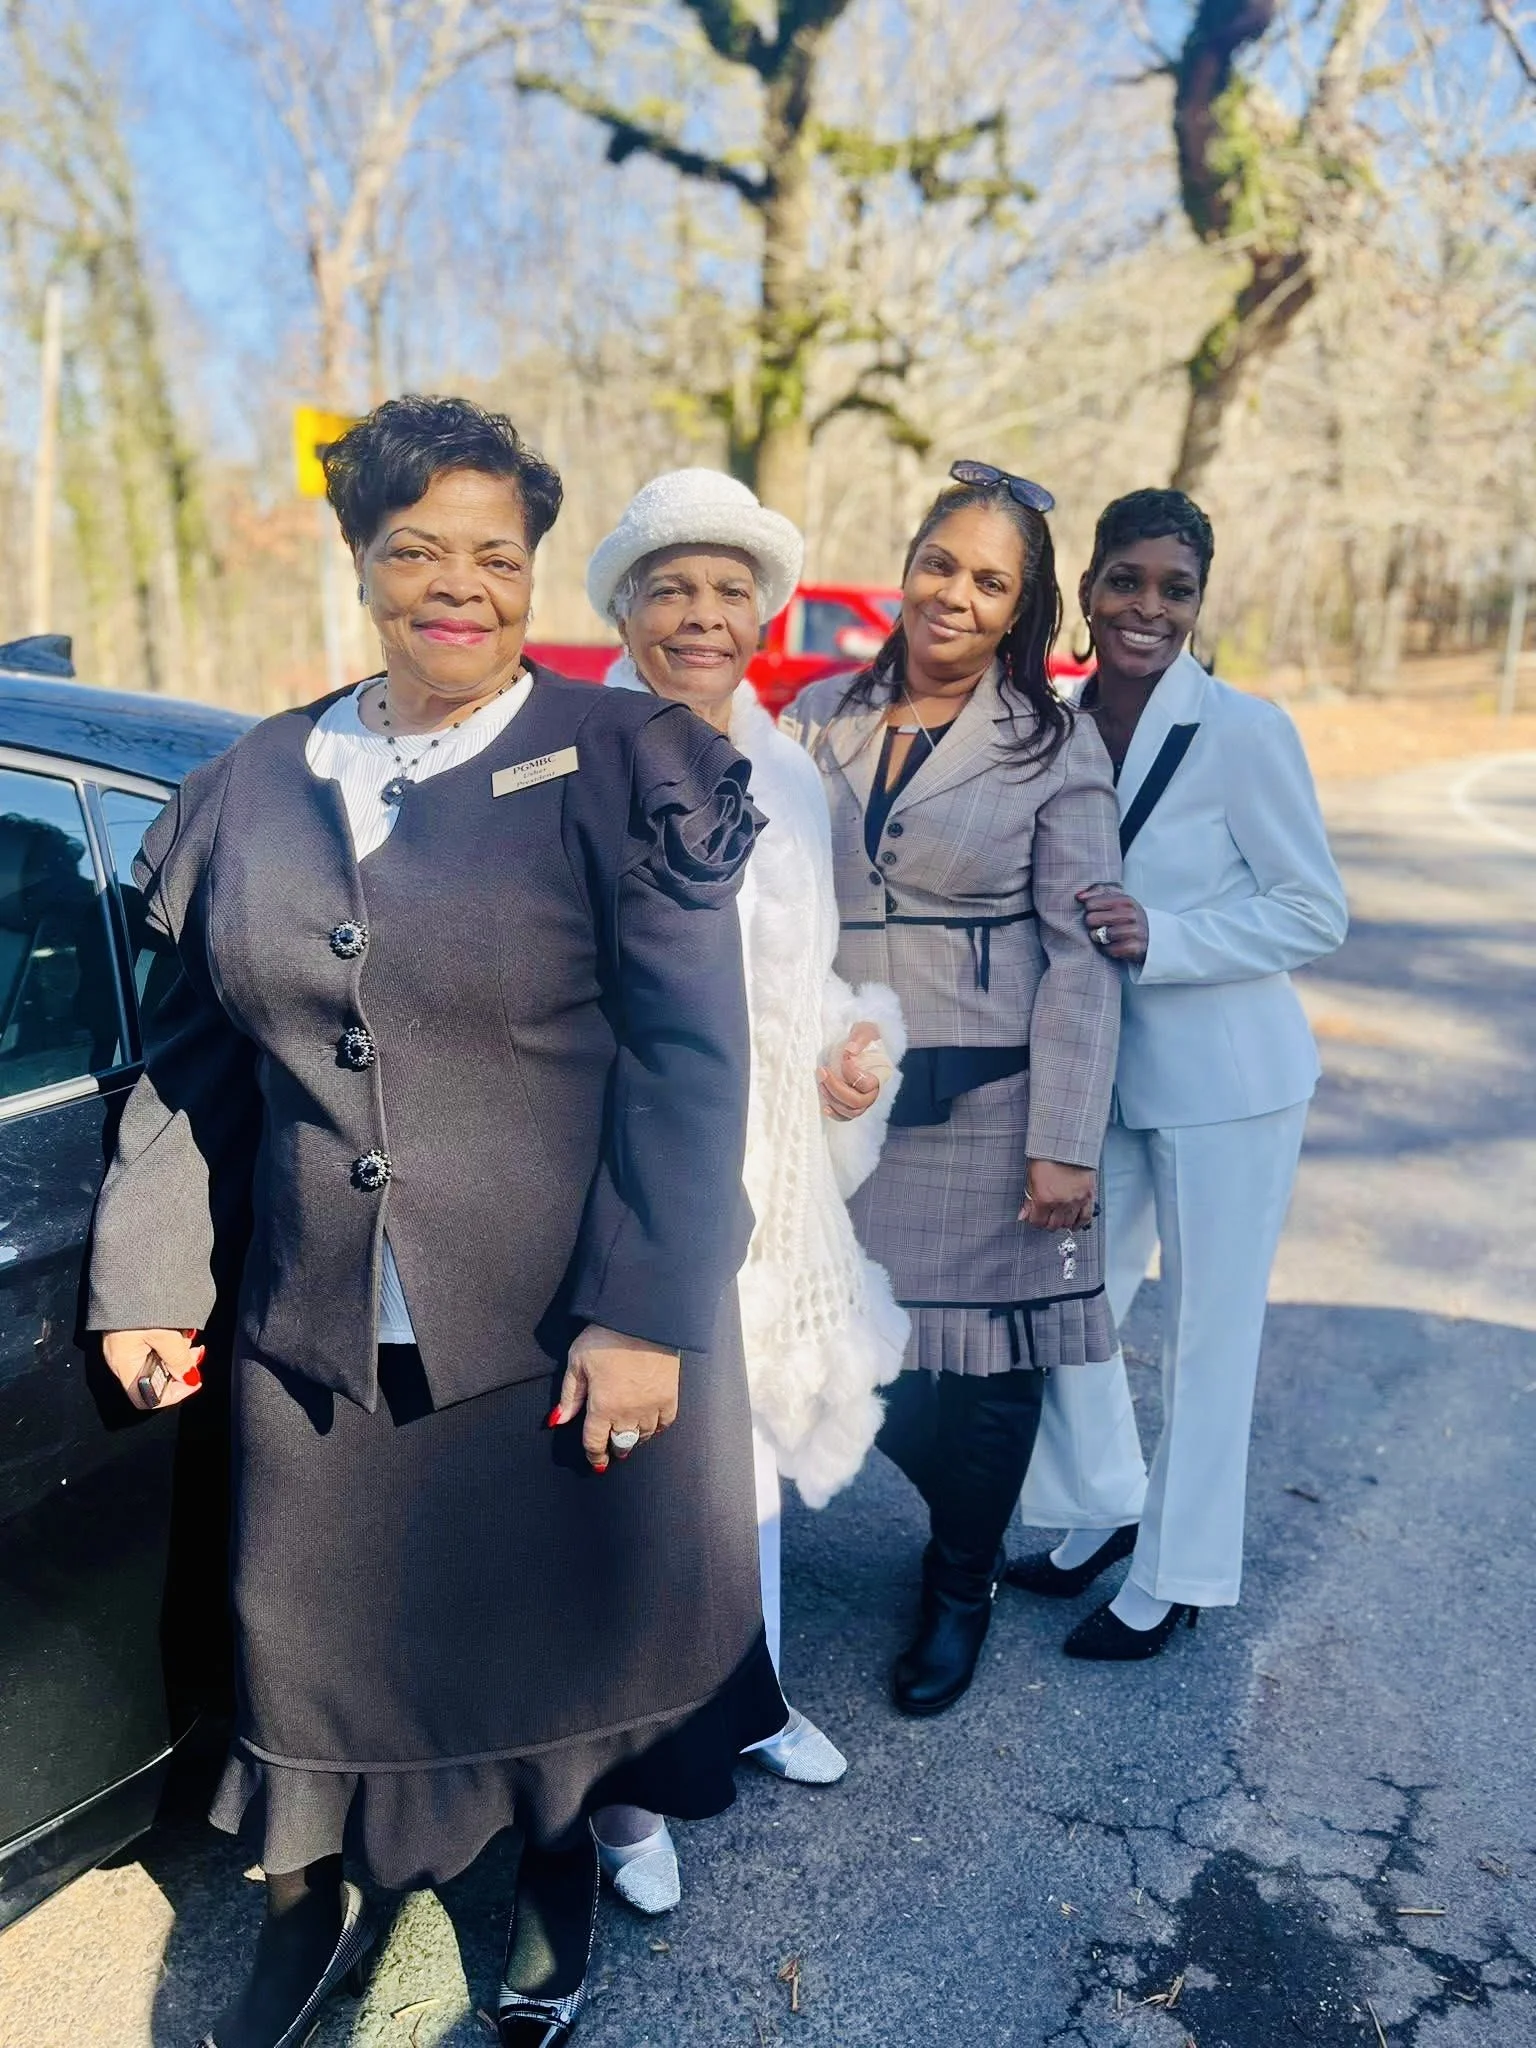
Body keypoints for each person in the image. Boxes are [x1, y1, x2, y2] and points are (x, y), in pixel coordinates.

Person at [87, 395, 786, 2048]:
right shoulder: (253, 781)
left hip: (559, 1315)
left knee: (545, 1640)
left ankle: (552, 1900)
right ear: (359, 560)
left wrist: (643, 1311)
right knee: (336, 1641)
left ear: (533, 573)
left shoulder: (628, 767)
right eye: (417, 550)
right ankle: (336, 1909)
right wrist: (144, 1272)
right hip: (321, 1319)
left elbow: (693, 1067)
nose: (456, 586)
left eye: (495, 553)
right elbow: (189, 1070)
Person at [582, 467, 910, 1909]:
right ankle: (620, 1791)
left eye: (729, 592)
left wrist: (852, 1054)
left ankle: (749, 1696)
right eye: (673, 590)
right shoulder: (577, 755)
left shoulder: (785, 767)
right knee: (635, 1473)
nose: (704, 617)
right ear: (627, 609)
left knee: (757, 1449)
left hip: (771, 1155)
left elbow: (808, 964)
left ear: (761, 613)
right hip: (633, 1161)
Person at [781, 461, 1123, 1717]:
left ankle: (960, 1582)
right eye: (942, 564)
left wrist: (1066, 1138)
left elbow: (1082, 954)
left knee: (978, 1382)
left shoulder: (1053, 741)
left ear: (1022, 608)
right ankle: (946, 1540)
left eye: (992, 581)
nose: (957, 595)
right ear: (908, 563)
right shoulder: (820, 713)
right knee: (849, 1347)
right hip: (838, 1094)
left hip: (990, 1099)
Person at [1012, 487, 1349, 1658]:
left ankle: (1180, 1568)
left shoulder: (1246, 729)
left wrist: (1173, 933)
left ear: (1199, 603)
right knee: (1075, 1299)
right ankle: (1098, 1503)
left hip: (1231, 1080)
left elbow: (1315, 908)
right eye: (1127, 580)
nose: (1147, 607)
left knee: (1208, 1328)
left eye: (1176, 588)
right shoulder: (1049, 721)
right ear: (1090, 586)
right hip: (1096, 1073)